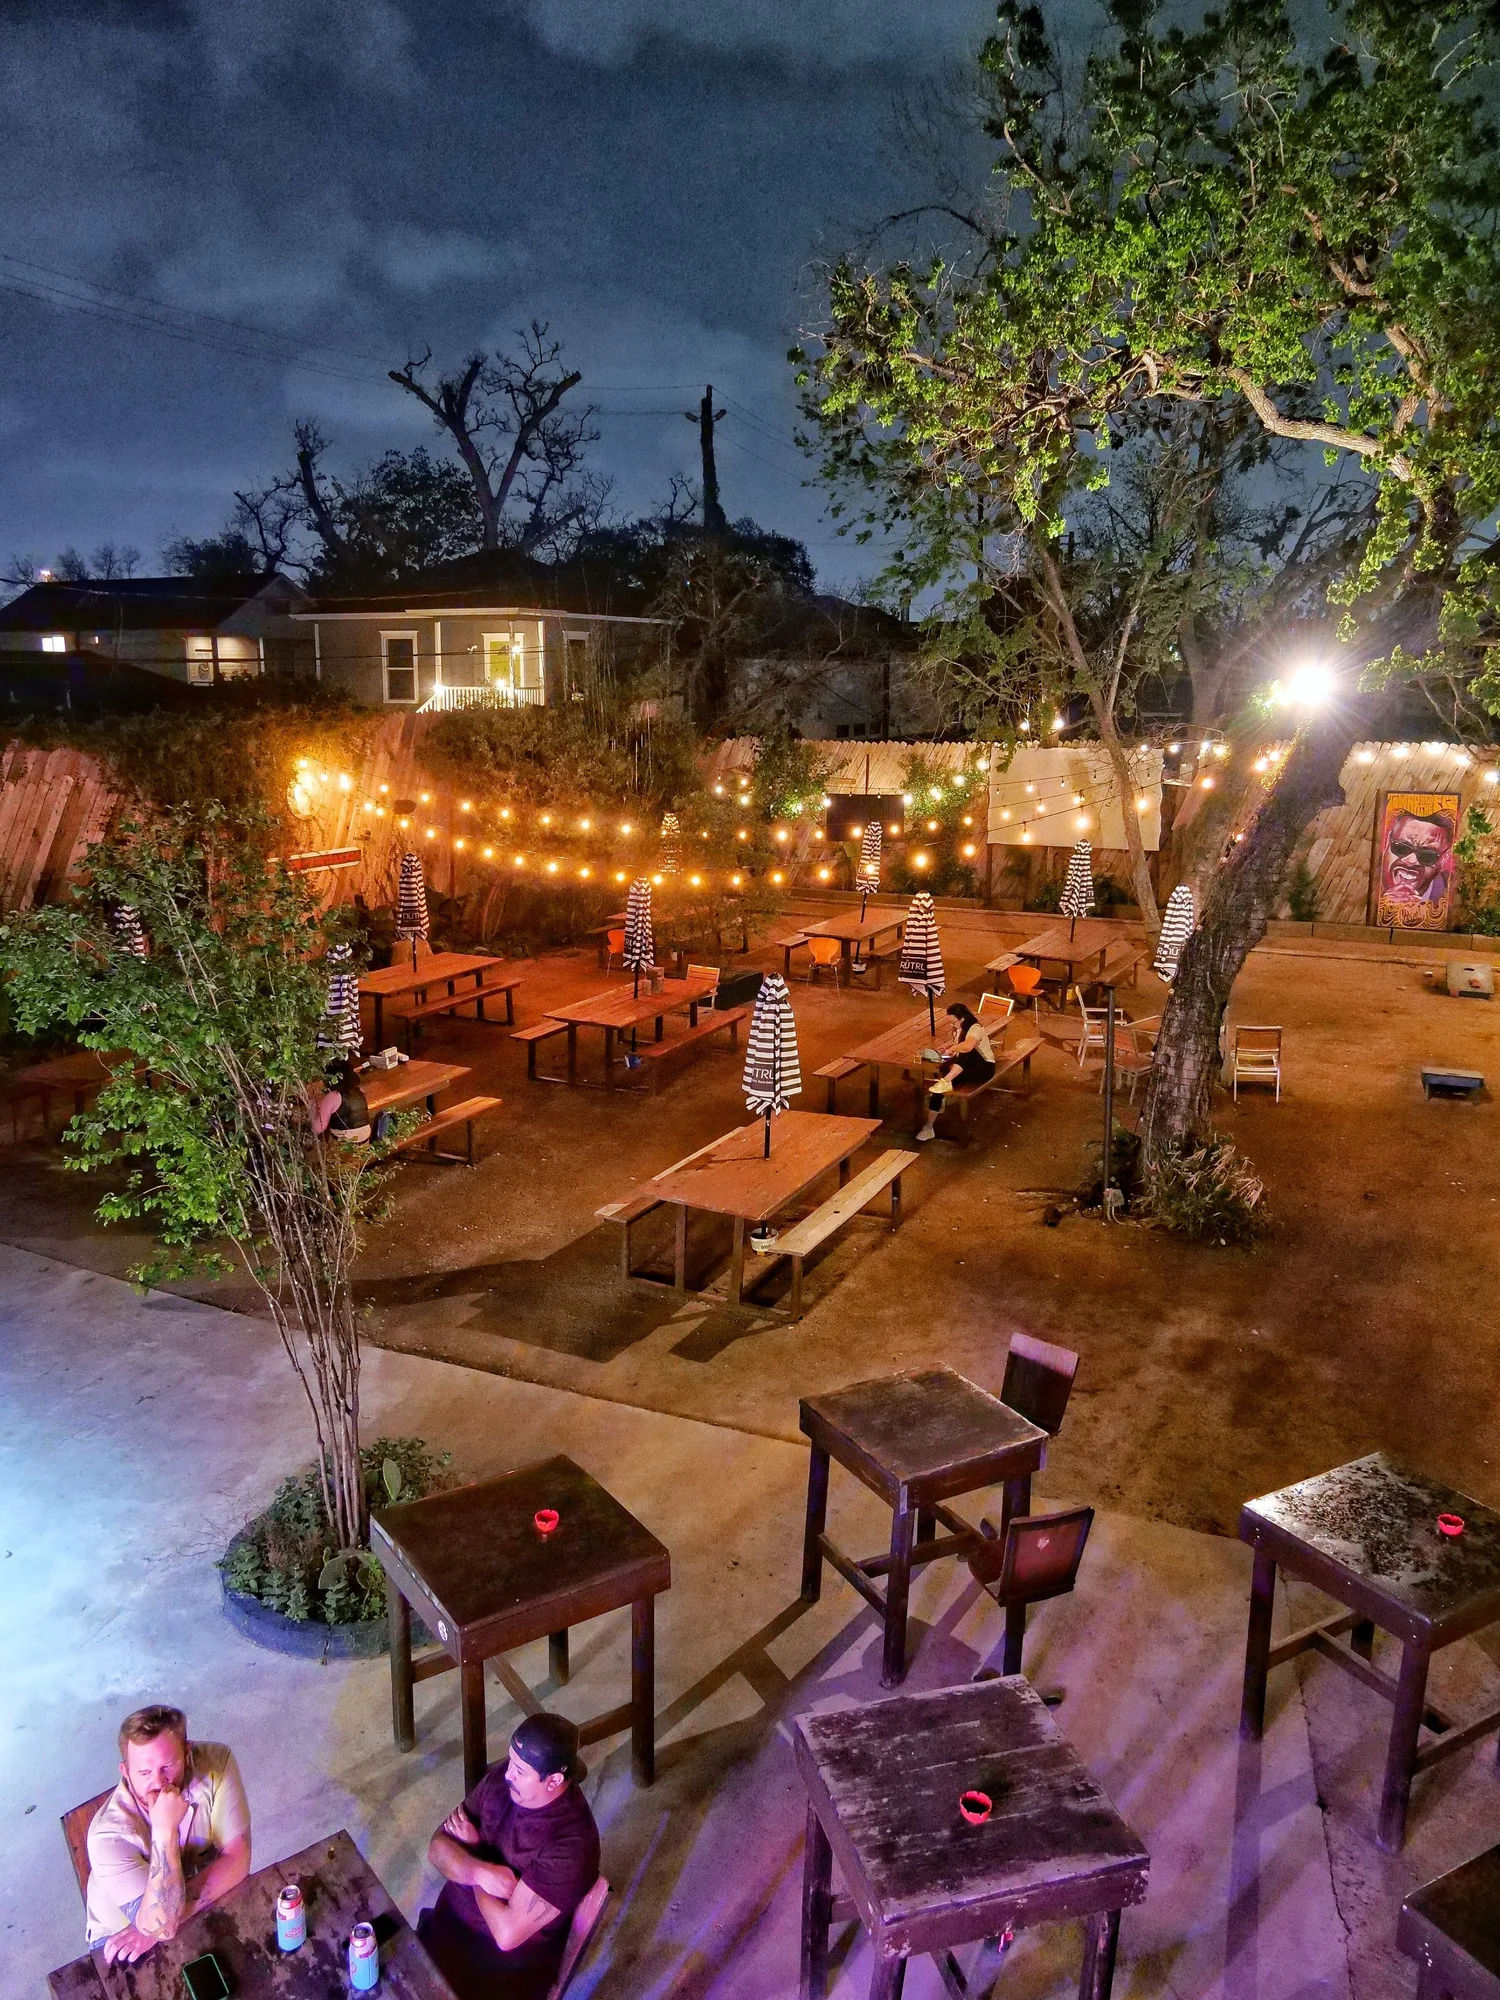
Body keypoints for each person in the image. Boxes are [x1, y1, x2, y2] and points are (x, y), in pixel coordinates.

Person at [418, 1715, 600, 2000]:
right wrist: (480, 1872)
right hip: (445, 1928)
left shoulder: (570, 1847)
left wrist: (473, 1853)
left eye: (520, 1770)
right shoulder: (503, 1780)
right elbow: (437, 1847)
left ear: (553, 1780)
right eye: (511, 1760)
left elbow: (506, 1934)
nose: (507, 1774)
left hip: (501, 1972)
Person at [85, 1705, 251, 1965]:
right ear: (125, 1771)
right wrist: (164, 1830)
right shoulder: (107, 1836)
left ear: (187, 1753)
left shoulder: (216, 1765)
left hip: (179, 1905)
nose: (158, 1782)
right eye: (144, 1772)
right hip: (121, 1936)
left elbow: (238, 1859)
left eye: (168, 1766)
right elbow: (161, 1927)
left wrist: (160, 1921)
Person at [917, 1001, 996, 1142]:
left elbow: (967, 1046)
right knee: (939, 1088)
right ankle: (929, 1127)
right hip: (965, 1069)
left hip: (984, 1069)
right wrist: (949, 1048)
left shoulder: (975, 1028)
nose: (952, 1025)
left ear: (962, 1019)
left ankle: (946, 1081)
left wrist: (953, 1048)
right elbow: (959, 1048)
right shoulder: (959, 1031)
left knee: (967, 1052)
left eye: (953, 1022)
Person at [308, 1056, 372, 1144]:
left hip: (346, 1142)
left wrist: (312, 1106)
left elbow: (318, 1128)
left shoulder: (333, 1096)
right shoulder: (359, 1091)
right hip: (365, 1138)